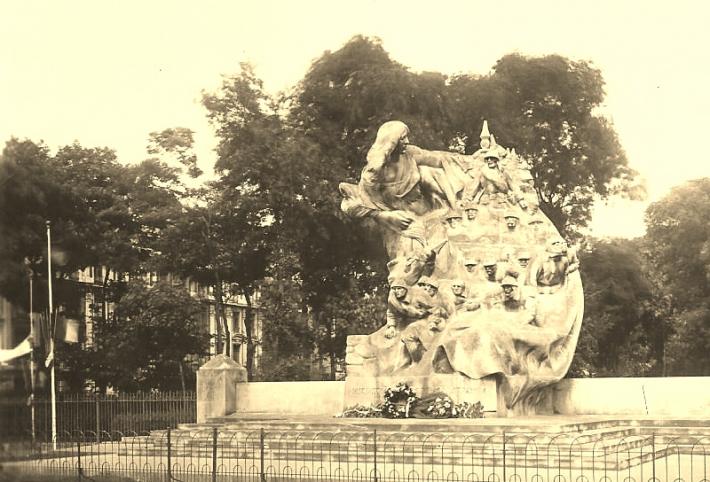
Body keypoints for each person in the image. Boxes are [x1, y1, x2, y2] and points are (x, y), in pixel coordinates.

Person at [339, 121, 469, 256]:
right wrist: (384, 216)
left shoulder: (409, 154)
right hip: (403, 228)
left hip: (433, 217)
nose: (407, 141)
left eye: (406, 137)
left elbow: (440, 158)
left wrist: (471, 161)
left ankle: (456, 209)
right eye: (402, 138)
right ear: (391, 143)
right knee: (412, 265)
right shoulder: (374, 175)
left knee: (427, 172)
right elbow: (351, 204)